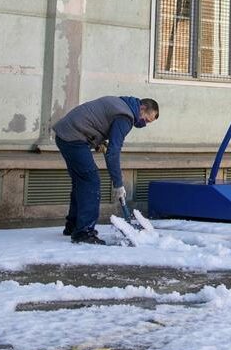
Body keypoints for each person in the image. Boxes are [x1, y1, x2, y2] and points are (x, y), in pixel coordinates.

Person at [52, 96, 159, 245]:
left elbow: (95, 121)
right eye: (146, 120)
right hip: (73, 138)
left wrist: (98, 142)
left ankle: (74, 226)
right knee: (90, 181)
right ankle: (84, 232)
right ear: (142, 109)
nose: (144, 124)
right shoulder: (125, 117)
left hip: (66, 134)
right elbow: (113, 153)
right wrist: (118, 184)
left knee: (81, 181)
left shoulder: (121, 104)